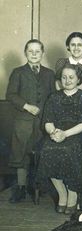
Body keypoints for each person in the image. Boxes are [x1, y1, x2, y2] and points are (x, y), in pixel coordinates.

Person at [36, 64, 82, 214]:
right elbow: (47, 121)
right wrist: (53, 132)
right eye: (64, 77)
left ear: (78, 79)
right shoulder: (54, 97)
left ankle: (73, 195)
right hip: (56, 133)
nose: (67, 80)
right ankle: (62, 193)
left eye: (71, 77)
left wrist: (65, 134)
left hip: (76, 135)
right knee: (47, 149)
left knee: (70, 149)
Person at [6, 39, 55, 203]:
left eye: (37, 51)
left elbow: (53, 96)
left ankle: (38, 185)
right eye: (30, 51)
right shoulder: (18, 72)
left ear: (42, 53)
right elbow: (11, 95)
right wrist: (27, 106)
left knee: (41, 152)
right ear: (25, 53)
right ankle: (20, 187)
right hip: (24, 121)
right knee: (22, 153)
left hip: (43, 122)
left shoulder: (49, 73)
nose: (34, 54)